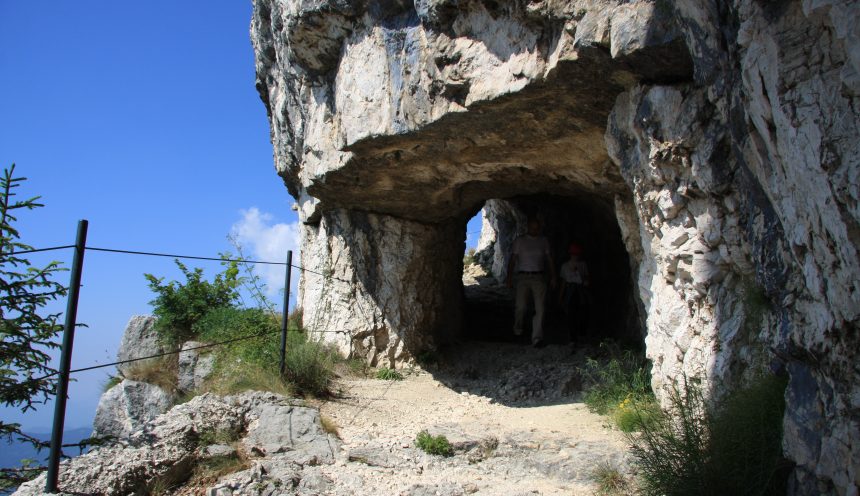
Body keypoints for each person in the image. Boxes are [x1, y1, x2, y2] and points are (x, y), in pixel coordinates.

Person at [506, 218, 556, 347]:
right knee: (521, 307)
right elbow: (512, 260)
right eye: (532, 227)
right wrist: (509, 278)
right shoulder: (520, 241)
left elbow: (549, 260)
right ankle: (518, 329)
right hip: (522, 277)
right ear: (528, 227)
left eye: (536, 227)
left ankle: (537, 338)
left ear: (539, 228)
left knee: (540, 308)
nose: (534, 230)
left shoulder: (543, 241)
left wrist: (553, 277)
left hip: (539, 277)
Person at [558, 243, 590, 342]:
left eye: (576, 254)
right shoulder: (565, 266)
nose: (575, 256)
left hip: (580, 290)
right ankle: (572, 336)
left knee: (582, 312)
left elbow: (586, 278)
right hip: (570, 291)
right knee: (571, 314)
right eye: (573, 254)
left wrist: (585, 282)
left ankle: (581, 333)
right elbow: (563, 282)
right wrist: (560, 296)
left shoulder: (583, 264)